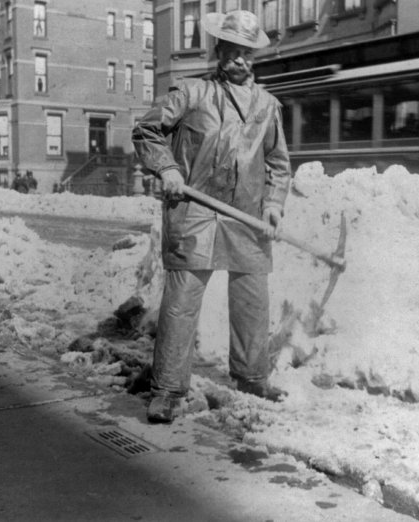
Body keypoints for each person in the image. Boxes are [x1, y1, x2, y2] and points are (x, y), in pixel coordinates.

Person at [132, 10, 291, 424]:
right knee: (182, 302)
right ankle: (167, 388)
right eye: (232, 51)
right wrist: (167, 168)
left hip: (246, 217)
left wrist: (273, 204)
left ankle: (252, 376)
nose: (239, 60)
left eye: (247, 53)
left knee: (252, 301)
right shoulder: (191, 93)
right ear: (218, 50)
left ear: (254, 58)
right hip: (195, 212)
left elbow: (278, 163)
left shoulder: (268, 106)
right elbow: (147, 131)